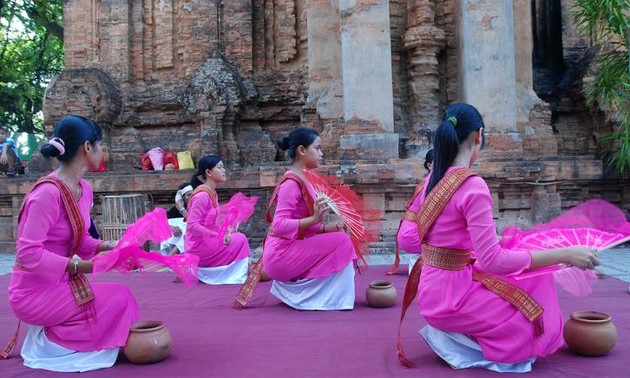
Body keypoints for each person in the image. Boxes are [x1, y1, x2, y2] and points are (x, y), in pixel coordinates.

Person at [396, 103, 599, 372]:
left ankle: (457, 338)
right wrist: (566, 254)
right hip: (454, 298)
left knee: (529, 274)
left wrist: (461, 246)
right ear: (478, 135)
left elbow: (408, 241)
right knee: (537, 287)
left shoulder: (432, 180)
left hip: (431, 293)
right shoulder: (472, 186)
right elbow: (493, 261)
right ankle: (481, 341)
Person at [6, 116, 138, 372]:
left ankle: (62, 335)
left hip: (62, 285)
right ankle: (48, 343)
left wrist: (107, 247)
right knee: (119, 298)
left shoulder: (83, 188)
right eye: (101, 145)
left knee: (121, 301)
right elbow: (28, 253)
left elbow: (81, 240)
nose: (104, 151)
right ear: (87, 147)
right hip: (33, 293)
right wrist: (84, 267)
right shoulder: (47, 193)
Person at [261, 127, 357, 310]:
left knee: (341, 237)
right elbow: (279, 225)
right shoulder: (291, 183)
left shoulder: (305, 179)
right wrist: (314, 219)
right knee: (342, 241)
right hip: (280, 255)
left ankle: (328, 295)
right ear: (302, 150)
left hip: (289, 249)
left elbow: (305, 228)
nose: (321, 154)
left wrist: (331, 227)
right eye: (318, 148)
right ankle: (326, 297)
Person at [184, 155, 251, 284]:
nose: (224, 170)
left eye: (223, 167)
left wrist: (227, 229)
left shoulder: (212, 193)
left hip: (207, 241)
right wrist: (218, 235)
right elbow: (192, 226)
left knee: (235, 234)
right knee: (240, 238)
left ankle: (234, 271)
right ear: (208, 172)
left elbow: (210, 222)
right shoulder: (202, 196)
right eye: (220, 167)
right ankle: (235, 274)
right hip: (198, 247)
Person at [161, 183, 193, 255]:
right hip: (178, 242)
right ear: (183, 198)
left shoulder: (199, 207)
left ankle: (171, 255)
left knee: (189, 227)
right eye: (189, 195)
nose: (192, 197)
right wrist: (171, 227)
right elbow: (161, 222)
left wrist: (182, 210)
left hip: (196, 242)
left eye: (194, 194)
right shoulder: (175, 210)